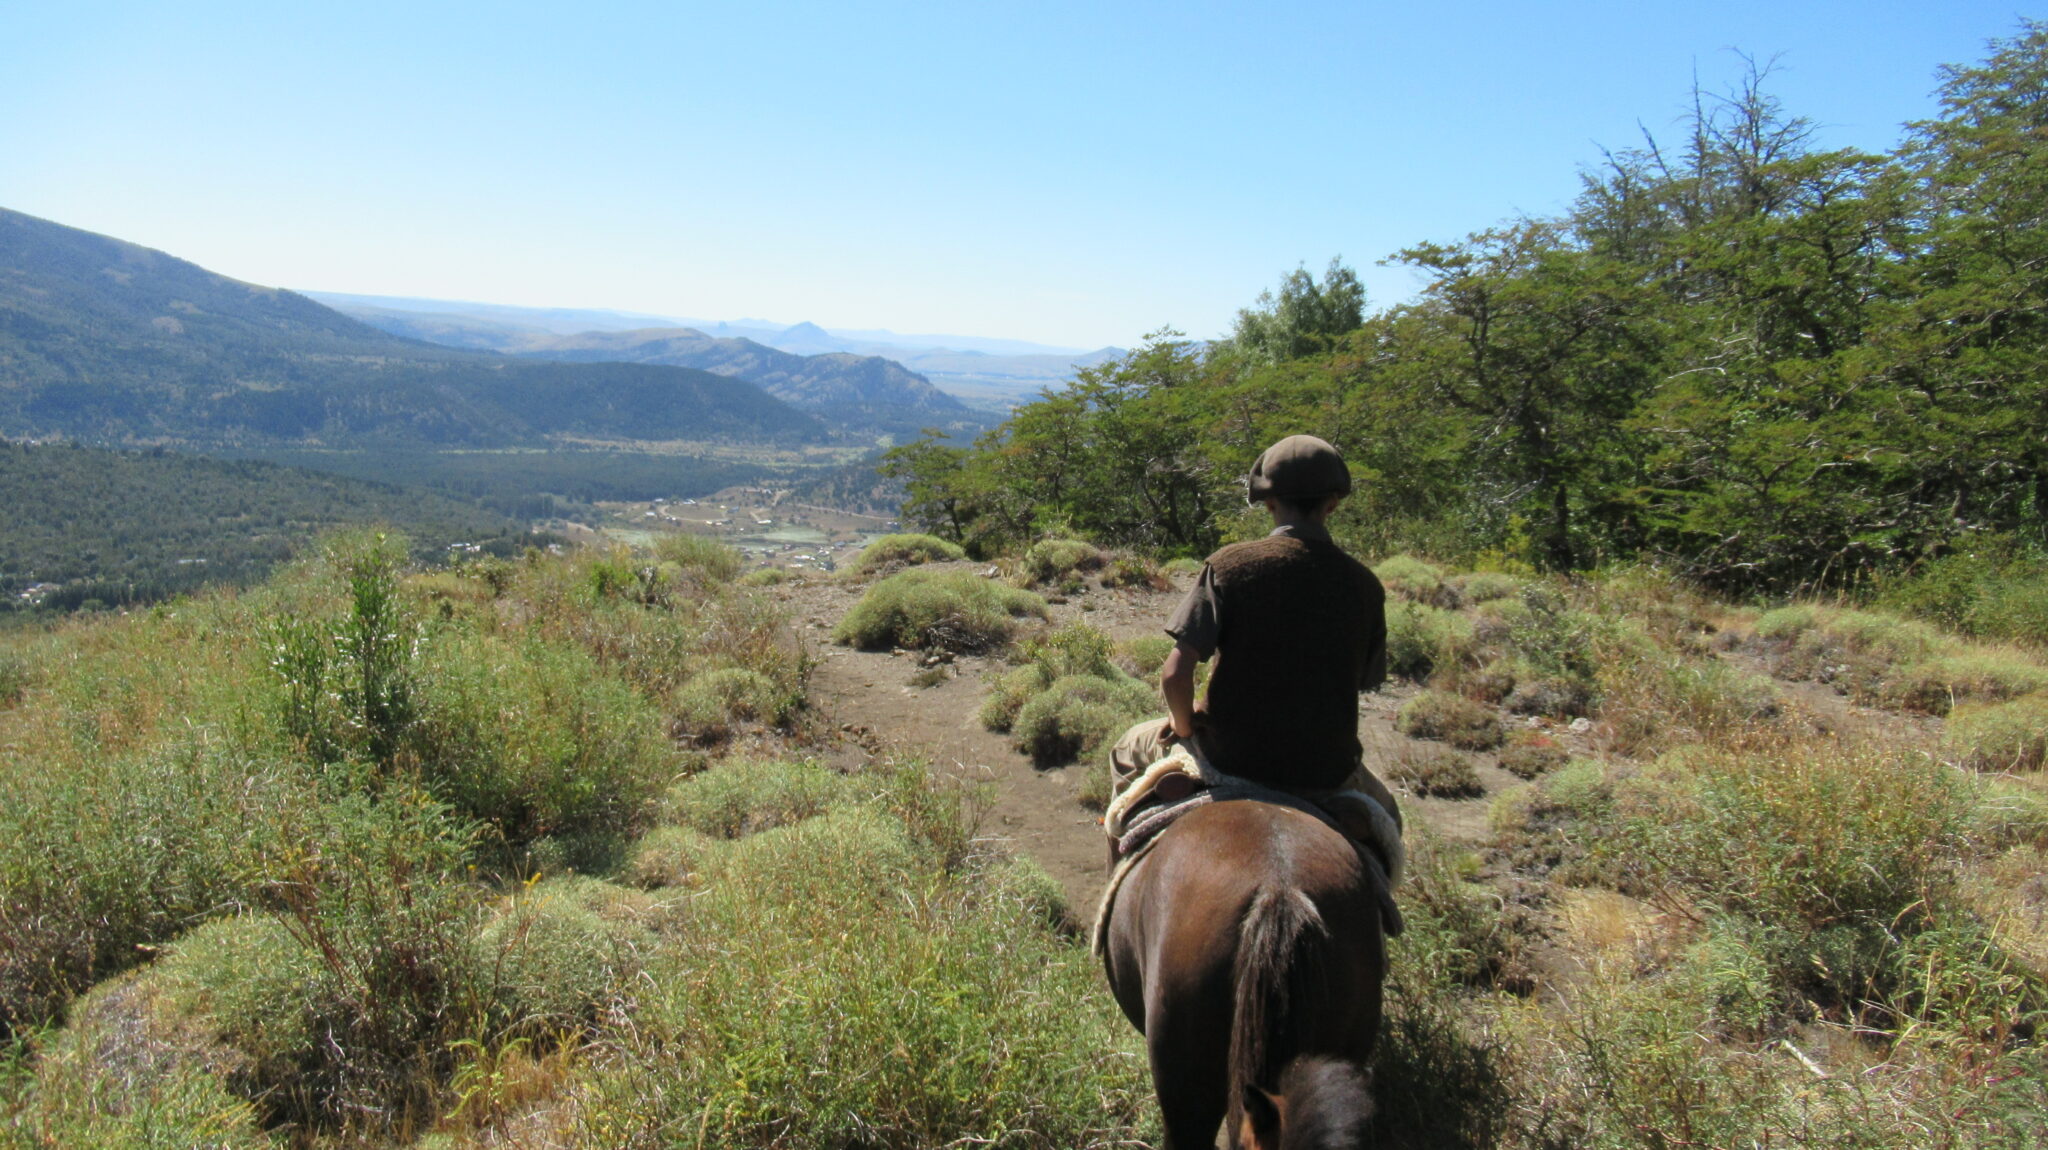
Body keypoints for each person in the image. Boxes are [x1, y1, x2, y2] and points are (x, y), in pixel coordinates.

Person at [1110, 433, 1400, 832]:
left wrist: (1183, 728)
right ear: (1332, 503)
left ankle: (1116, 875)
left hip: (1230, 758)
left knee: (1127, 748)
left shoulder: (1229, 566)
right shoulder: (1366, 586)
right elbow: (1363, 681)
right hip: (1326, 770)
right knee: (1389, 820)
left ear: (1268, 502)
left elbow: (1175, 675)